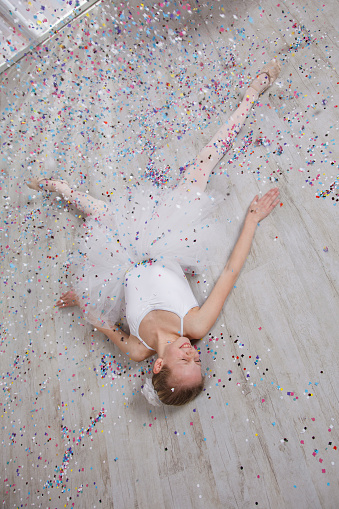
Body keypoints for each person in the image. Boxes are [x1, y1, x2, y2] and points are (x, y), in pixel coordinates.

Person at [27, 59, 281, 406]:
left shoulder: (137, 349)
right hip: (165, 237)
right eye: (197, 360)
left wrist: (84, 296)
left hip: (124, 259)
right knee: (203, 165)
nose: (193, 353)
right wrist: (251, 219)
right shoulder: (195, 325)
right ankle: (251, 95)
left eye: (185, 360)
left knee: (99, 216)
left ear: (158, 364)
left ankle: (63, 190)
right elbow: (231, 272)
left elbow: (100, 319)